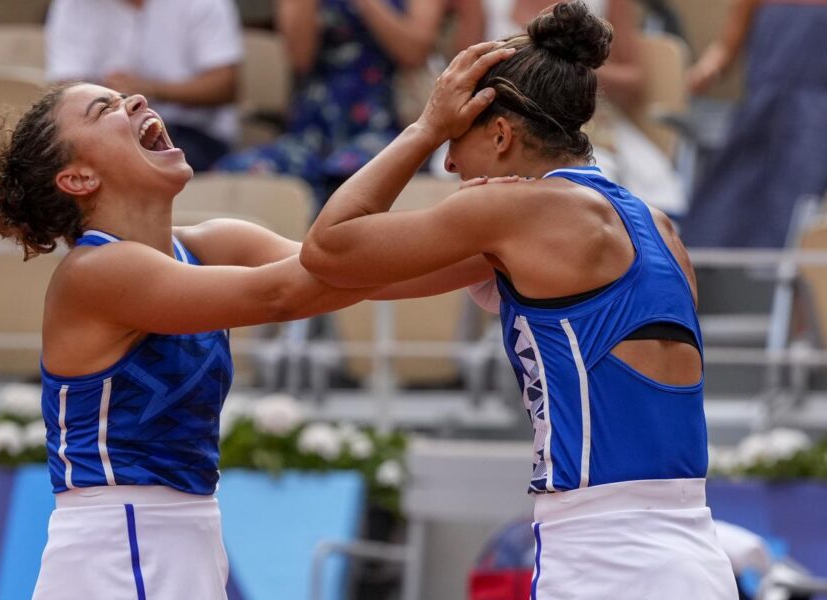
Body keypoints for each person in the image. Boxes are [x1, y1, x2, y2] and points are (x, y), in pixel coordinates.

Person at [0, 81, 493, 599]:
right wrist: (425, 133)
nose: (133, 100)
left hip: (185, 533)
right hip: (117, 541)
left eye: (123, 96)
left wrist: (502, 242)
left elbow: (365, 276)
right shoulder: (94, 272)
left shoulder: (214, 242)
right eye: (102, 109)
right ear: (78, 177)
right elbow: (287, 294)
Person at [301, 3, 737, 597]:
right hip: (694, 553)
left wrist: (424, 126)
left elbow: (328, 250)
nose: (449, 162)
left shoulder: (515, 211)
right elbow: (351, 276)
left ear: (501, 134)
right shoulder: (655, 226)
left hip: (605, 557)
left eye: (457, 141)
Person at [215, 0, 447, 202]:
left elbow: (414, 51)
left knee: (346, 177)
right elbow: (299, 58)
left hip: (388, 123)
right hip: (313, 124)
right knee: (235, 172)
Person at [478, 0, 686, 216]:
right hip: (499, 125)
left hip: (584, 127)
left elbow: (634, 80)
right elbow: (466, 67)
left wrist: (570, 71)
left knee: (590, 184)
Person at [680, 0, 827, 248]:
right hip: (759, 116)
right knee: (725, 206)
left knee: (793, 216)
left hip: (814, 127)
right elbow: (726, 47)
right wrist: (699, 75)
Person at [45, 0, 243, 172]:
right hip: (105, 130)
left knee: (126, 165)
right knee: (54, 161)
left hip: (192, 133)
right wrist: (111, 97)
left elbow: (224, 85)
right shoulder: (72, 4)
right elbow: (64, 89)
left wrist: (150, 89)